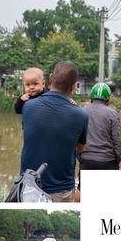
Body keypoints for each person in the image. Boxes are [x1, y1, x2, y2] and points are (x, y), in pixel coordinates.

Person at [20, 61, 88, 202]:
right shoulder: (81, 115)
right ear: (74, 86)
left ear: (50, 78)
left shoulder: (28, 107)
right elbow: (80, 150)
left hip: (28, 186)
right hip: (61, 190)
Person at [80, 83, 121, 173]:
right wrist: (117, 158)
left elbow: (76, 138)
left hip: (86, 160)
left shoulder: (81, 112)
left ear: (91, 97)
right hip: (107, 161)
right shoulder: (113, 114)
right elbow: (117, 141)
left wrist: (80, 157)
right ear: (108, 99)